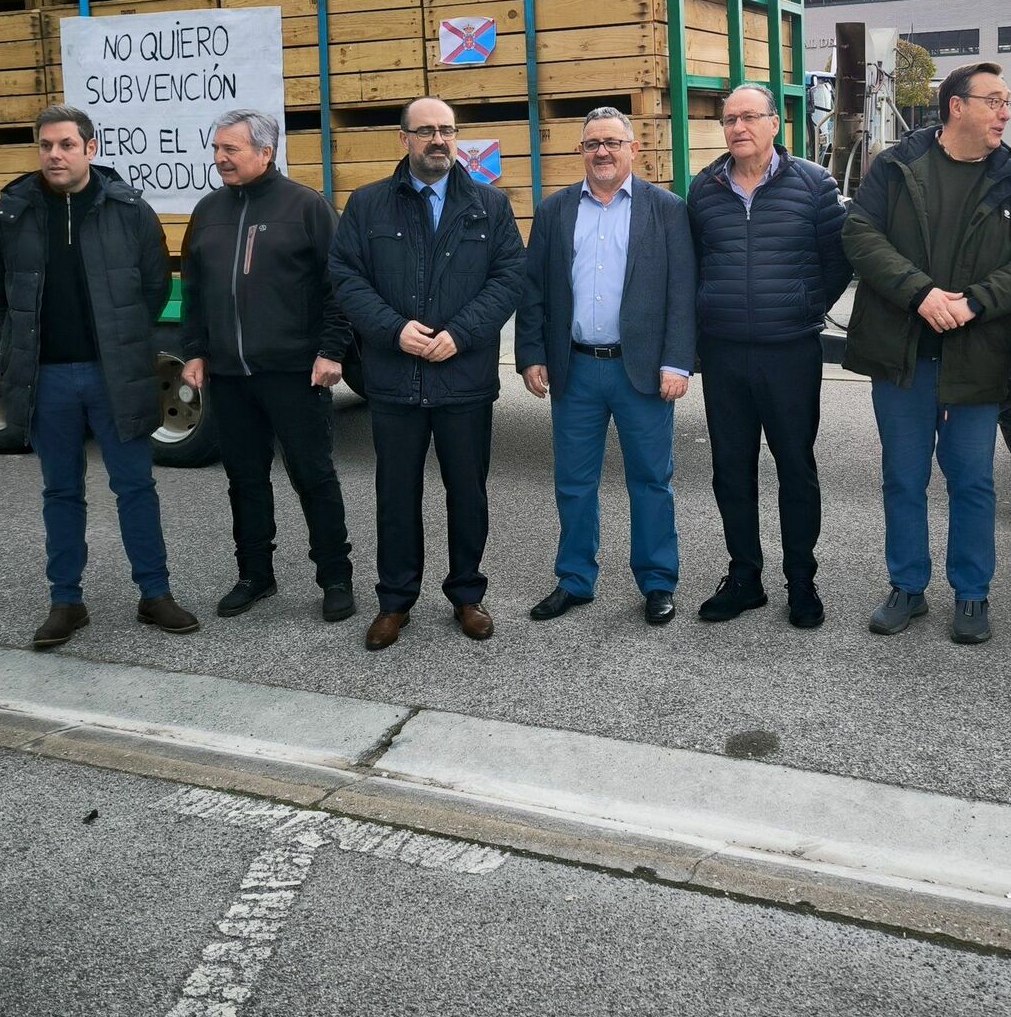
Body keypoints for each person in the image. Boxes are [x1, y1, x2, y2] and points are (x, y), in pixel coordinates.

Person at [843, 63, 1011, 641]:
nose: (1005, 113)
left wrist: (976, 302)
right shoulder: (895, 168)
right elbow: (861, 236)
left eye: (1007, 101)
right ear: (956, 106)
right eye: (994, 100)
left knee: (972, 482)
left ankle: (972, 594)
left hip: (975, 354)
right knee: (903, 478)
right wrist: (921, 294)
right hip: (903, 357)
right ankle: (908, 588)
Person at [0, 104, 197, 648]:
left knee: (135, 486)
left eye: (66, 145)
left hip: (114, 375)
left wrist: (122, 343)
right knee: (61, 491)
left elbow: (154, 288)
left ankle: (155, 594)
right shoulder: (12, 213)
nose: (55, 154)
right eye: (46, 145)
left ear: (90, 149)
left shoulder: (127, 210)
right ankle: (66, 602)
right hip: (48, 378)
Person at [328, 96, 525, 651]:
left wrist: (459, 334)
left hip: (462, 379)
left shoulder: (489, 205)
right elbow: (346, 277)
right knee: (395, 494)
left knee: (468, 493)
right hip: (394, 380)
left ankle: (466, 594)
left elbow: (509, 277)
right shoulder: (368, 206)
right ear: (404, 139)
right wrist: (394, 330)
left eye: (447, 130)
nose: (438, 140)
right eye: (426, 131)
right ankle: (395, 601)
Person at [516, 107, 696, 625]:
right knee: (573, 482)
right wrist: (531, 354)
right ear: (580, 151)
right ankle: (575, 580)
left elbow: (682, 294)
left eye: (613, 142)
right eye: (593, 142)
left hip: (640, 372)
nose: (602, 151)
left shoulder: (666, 210)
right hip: (575, 370)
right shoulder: (554, 212)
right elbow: (535, 291)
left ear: (633, 149)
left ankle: (658, 582)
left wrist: (677, 363)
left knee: (651, 481)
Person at [179, 108, 355, 624]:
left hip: (295, 373)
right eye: (216, 150)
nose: (219, 159)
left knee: (313, 476)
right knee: (245, 479)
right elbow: (192, 291)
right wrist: (194, 350)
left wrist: (333, 350)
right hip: (230, 378)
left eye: (230, 150)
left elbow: (339, 287)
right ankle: (255, 575)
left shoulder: (306, 208)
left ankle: (335, 577)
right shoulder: (207, 211)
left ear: (265, 152)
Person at [687, 84, 851, 628]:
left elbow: (836, 263)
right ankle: (745, 578)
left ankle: (801, 581)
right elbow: (696, 266)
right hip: (725, 354)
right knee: (730, 471)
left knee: (796, 469)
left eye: (750, 117)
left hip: (790, 353)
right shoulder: (704, 189)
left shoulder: (813, 184)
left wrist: (799, 307)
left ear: (775, 123)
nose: (738, 128)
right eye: (729, 119)